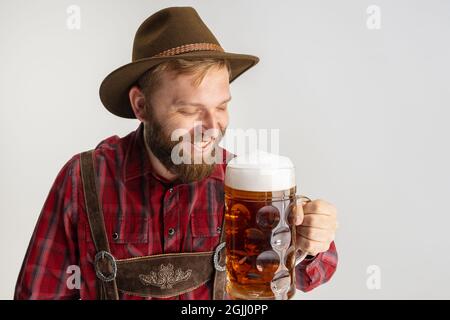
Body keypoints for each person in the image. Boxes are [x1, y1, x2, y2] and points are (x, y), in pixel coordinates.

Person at [15, 6, 338, 300]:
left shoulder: (242, 182)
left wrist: (310, 243)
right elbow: (40, 292)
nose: (213, 126)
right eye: (189, 110)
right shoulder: (84, 178)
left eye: (222, 106)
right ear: (141, 105)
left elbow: (301, 276)